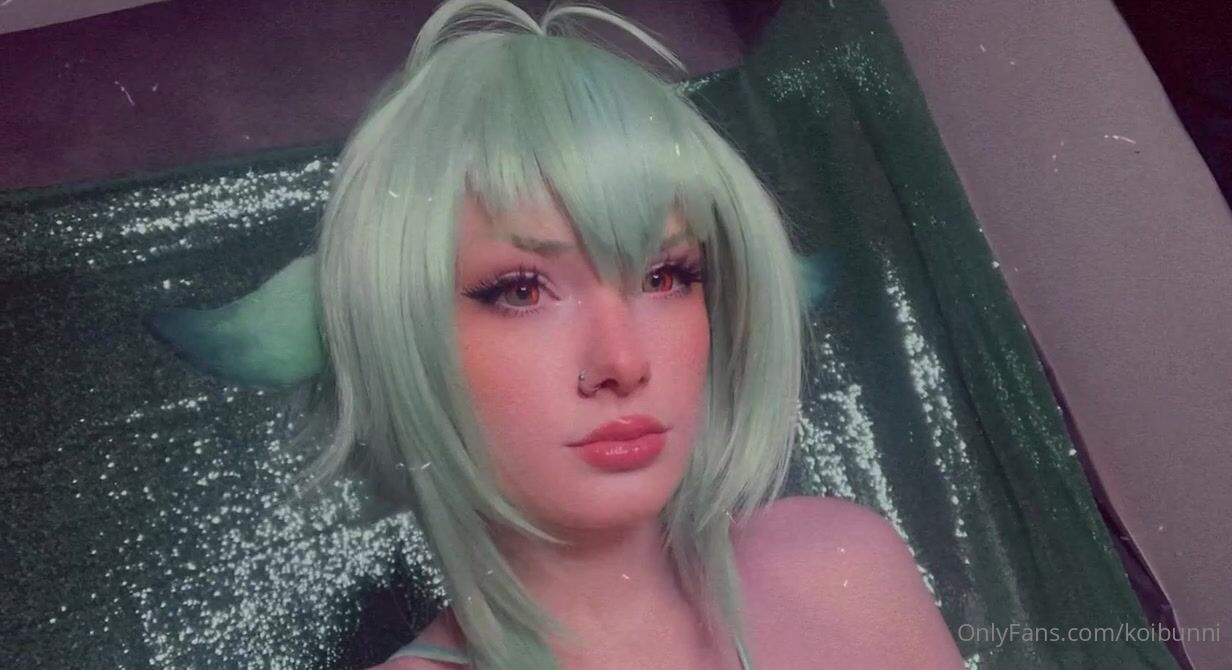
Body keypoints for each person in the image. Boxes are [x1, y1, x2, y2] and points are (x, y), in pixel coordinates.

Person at [154, 0, 966, 667]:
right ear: (398, 331)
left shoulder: (843, 563)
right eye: (521, 290)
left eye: (665, 276)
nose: (622, 362)